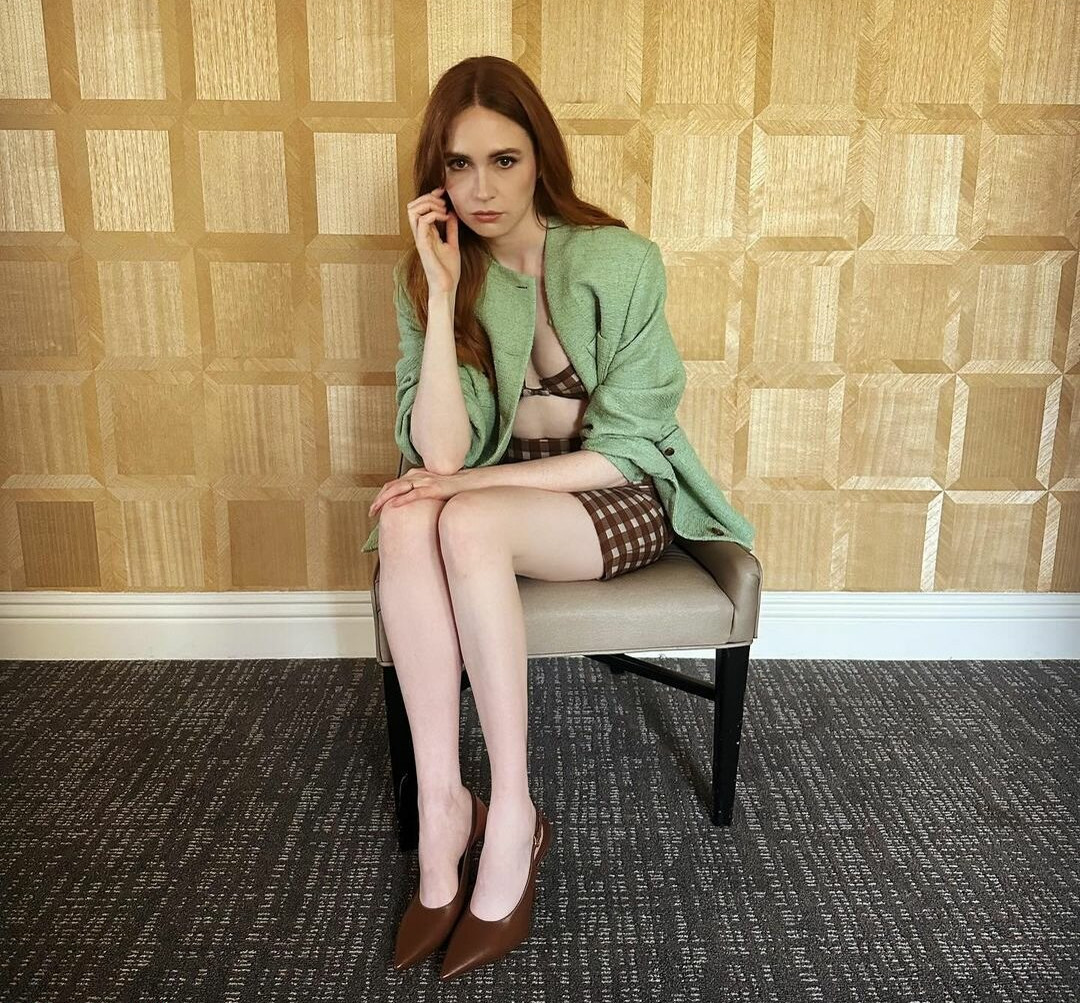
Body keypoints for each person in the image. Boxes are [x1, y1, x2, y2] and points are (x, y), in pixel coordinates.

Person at [367, 55, 751, 981]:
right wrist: (443, 291)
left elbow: (628, 448)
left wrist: (460, 489)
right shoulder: (433, 276)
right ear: (436, 176)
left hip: (614, 496)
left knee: (456, 518)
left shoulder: (621, 261)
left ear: (540, 157)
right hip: (498, 495)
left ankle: (514, 813)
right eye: (459, 165)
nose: (482, 189)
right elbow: (442, 454)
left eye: (504, 160)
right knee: (411, 522)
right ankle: (444, 809)